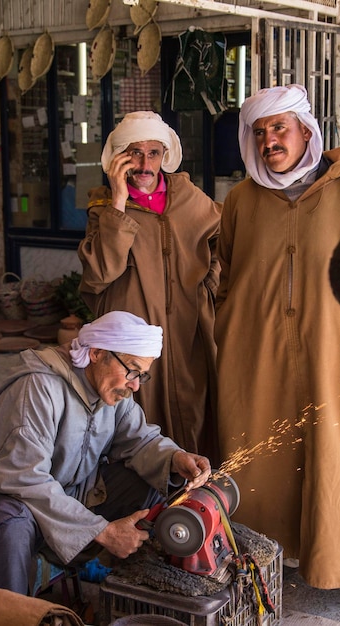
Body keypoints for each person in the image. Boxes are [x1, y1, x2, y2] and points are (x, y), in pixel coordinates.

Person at [0, 311, 211, 595]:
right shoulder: (39, 388)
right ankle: (12, 608)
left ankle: (104, 580)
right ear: (97, 353)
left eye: (142, 375)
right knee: (11, 519)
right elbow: (24, 480)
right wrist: (102, 531)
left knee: (149, 479)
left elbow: (139, 441)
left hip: (62, 491)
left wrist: (176, 459)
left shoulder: (115, 392)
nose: (135, 385)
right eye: (131, 370)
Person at [215, 83, 340, 589]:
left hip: (329, 347)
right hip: (254, 351)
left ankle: (328, 559)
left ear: (305, 130)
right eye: (260, 131)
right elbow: (224, 273)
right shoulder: (242, 200)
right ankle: (259, 561)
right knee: (259, 451)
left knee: (329, 451)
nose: (269, 139)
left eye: (279, 127)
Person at [77, 111, 221, 458]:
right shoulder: (103, 208)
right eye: (133, 153)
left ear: (164, 157)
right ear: (117, 159)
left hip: (188, 330)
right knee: (138, 418)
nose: (144, 164)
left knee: (196, 409)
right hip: (134, 338)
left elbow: (224, 240)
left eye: (153, 153)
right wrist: (118, 201)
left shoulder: (188, 197)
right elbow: (99, 274)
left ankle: (195, 496)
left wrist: (209, 285)